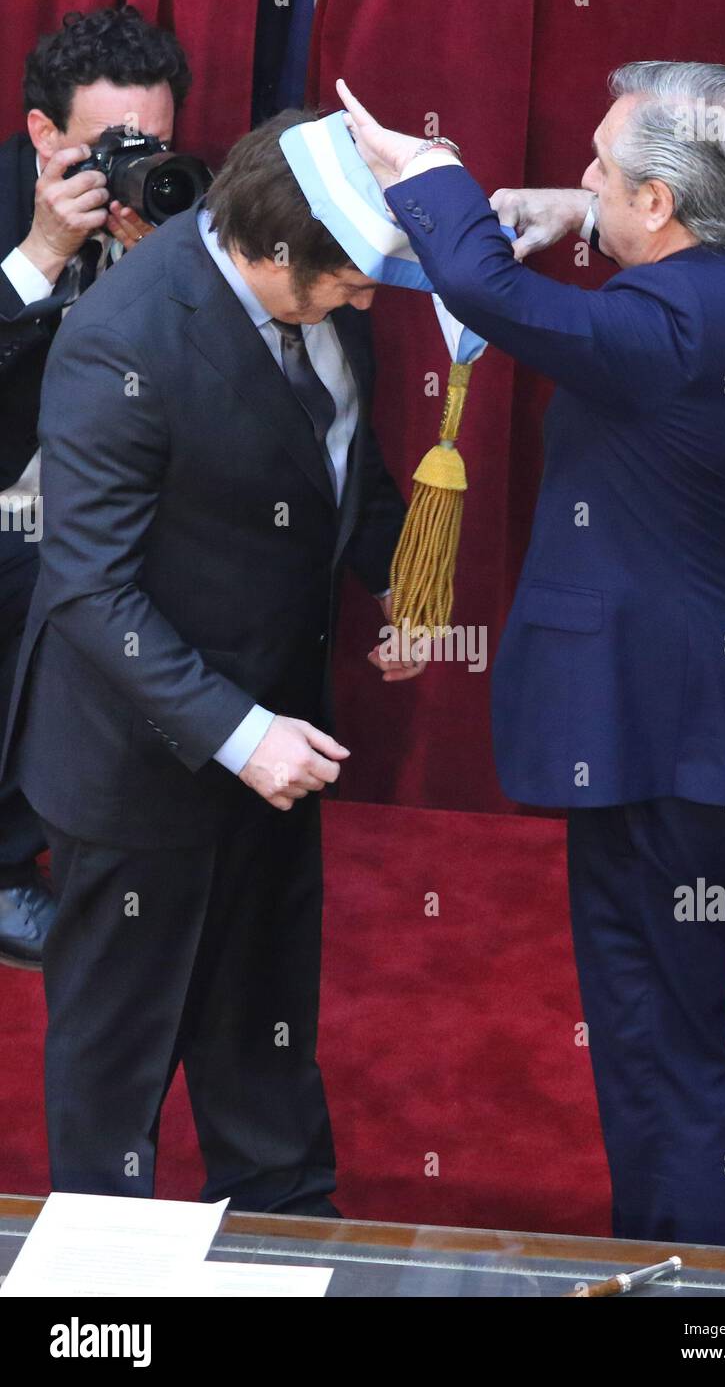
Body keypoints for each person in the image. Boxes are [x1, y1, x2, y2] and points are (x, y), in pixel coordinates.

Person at [337, 61, 725, 1247]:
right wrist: (578, 215)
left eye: (600, 173)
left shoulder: (656, 332)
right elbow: (627, 253)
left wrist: (427, 171)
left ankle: (701, 1294)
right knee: (672, 1026)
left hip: (654, 744)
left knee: (659, 1055)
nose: (579, 180)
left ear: (663, 205)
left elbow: (477, 283)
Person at [1, 105, 422, 1212]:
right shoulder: (121, 341)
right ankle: (103, 1290)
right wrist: (239, 735)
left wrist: (393, 581)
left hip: (283, 732)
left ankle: (289, 1218)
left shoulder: (328, 279)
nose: (367, 301)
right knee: (116, 1061)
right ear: (265, 250)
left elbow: (341, 454)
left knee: (264, 1026)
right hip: (137, 758)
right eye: (345, 286)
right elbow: (90, 587)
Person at [0, 5, 191, 968]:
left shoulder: (178, 201)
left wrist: (160, 257)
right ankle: (3, 868)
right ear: (42, 134)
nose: (131, 161)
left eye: (150, 142)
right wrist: (39, 257)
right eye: (106, 144)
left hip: (128, 492)